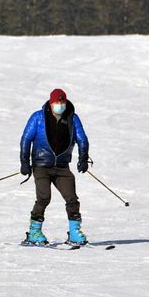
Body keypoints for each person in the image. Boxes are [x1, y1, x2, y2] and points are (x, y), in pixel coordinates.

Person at [19, 87, 90, 246]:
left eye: (62, 101)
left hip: (62, 167)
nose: (60, 104)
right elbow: (26, 139)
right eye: (57, 101)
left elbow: (82, 139)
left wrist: (83, 158)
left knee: (71, 198)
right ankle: (34, 232)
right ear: (51, 103)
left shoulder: (72, 118)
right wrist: (25, 162)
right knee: (44, 197)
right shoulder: (38, 118)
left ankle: (74, 233)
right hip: (41, 165)